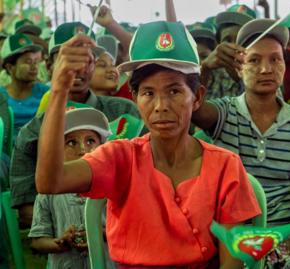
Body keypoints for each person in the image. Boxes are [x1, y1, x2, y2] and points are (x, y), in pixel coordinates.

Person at [35, 21, 260, 268]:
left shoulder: (225, 166)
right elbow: (50, 181)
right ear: (135, 98)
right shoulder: (119, 157)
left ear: (196, 97)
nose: (160, 106)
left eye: (174, 91)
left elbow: (232, 263)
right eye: (148, 93)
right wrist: (58, 90)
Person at [192, 18, 290, 268]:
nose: (266, 69)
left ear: (285, 65)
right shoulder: (225, 113)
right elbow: (191, 108)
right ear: (239, 67)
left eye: (275, 59)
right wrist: (206, 68)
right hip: (237, 230)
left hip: (287, 225)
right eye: (254, 60)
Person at [9, 21, 141, 228]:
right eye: (69, 59)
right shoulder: (32, 133)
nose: (79, 68)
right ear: (50, 67)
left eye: (88, 59)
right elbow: (28, 213)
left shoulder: (125, 112)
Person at [29, 107, 115, 269]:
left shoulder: (114, 187)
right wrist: (60, 243)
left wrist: (102, 234)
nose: (82, 149)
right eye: (71, 142)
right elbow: (37, 242)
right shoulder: (48, 192)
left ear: (102, 148)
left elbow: (131, 231)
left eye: (90, 141)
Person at [201, 4, 256, 99]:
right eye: (228, 40)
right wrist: (204, 69)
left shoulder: (264, 72)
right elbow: (194, 108)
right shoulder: (211, 74)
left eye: (241, 40)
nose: (234, 47)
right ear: (218, 45)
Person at [0, 32, 49, 136]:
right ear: (10, 67)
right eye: (27, 62)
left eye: (36, 61)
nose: (34, 67)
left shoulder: (46, 94)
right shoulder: (1, 97)